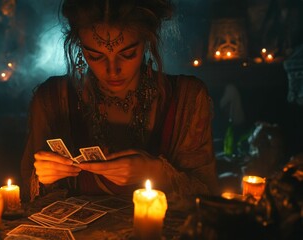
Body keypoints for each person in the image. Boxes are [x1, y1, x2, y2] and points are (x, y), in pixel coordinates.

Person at [21, 0, 218, 202]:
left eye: (128, 54)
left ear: (147, 42)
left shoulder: (187, 99)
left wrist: (156, 172)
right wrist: (44, 178)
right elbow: (27, 197)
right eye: (96, 56)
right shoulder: (53, 99)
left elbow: (208, 198)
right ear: (80, 48)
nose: (112, 70)